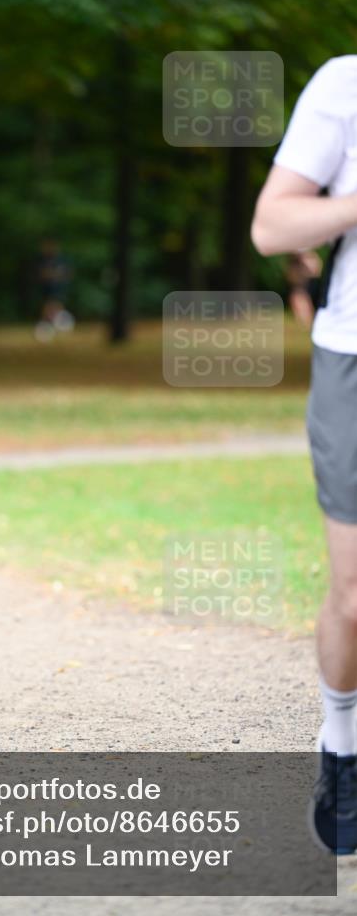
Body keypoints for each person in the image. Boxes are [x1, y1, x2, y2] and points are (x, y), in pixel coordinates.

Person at [251, 55, 357, 855]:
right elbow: (271, 226)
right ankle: (340, 743)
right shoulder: (343, 84)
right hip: (353, 355)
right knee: (354, 594)